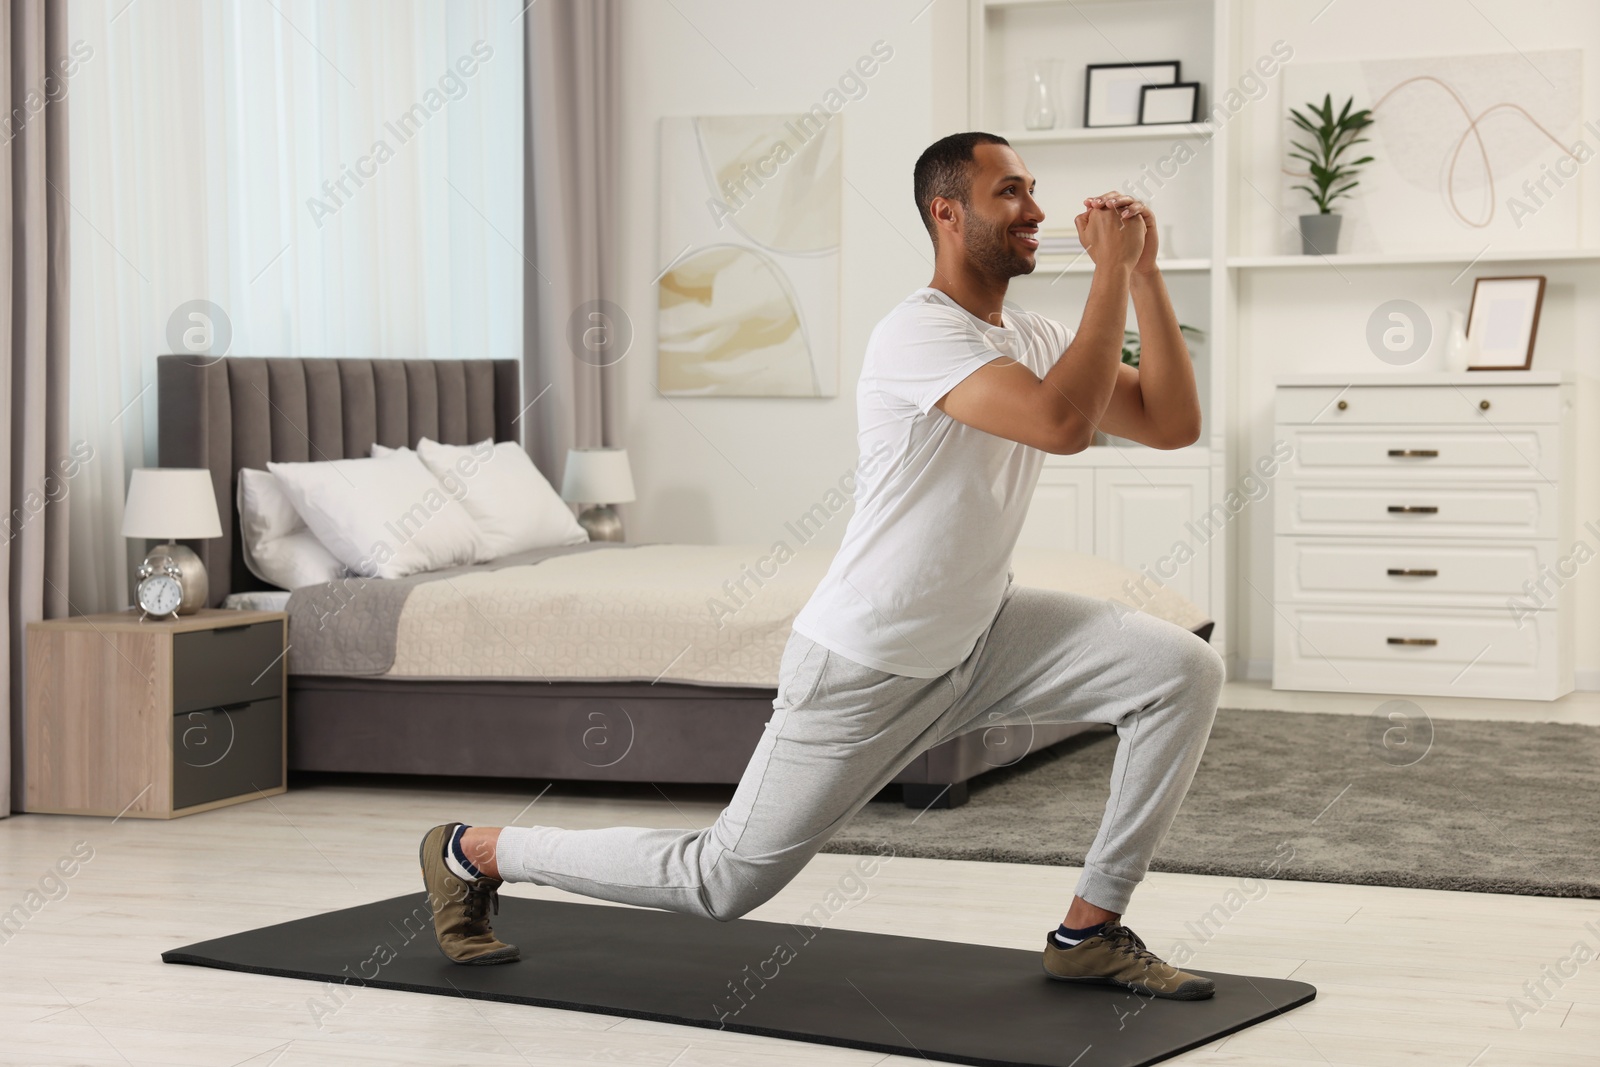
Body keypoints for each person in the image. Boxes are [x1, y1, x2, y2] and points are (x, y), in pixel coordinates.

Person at [419, 131, 1225, 999]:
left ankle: (1089, 928)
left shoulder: (1033, 333)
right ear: (946, 213)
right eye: (1011, 193)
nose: (1035, 210)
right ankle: (473, 850)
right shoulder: (918, 333)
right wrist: (1108, 273)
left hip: (982, 630)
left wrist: (1142, 275)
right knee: (719, 880)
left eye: (1033, 188)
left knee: (1179, 668)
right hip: (865, 662)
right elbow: (1062, 427)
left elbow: (1174, 423)